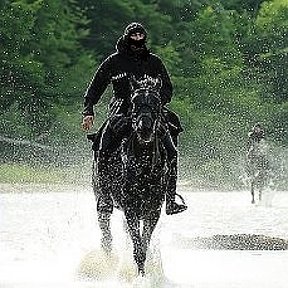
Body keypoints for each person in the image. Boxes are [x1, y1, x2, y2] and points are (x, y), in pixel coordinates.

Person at [82, 22, 187, 215]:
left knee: (172, 150)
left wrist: (155, 101)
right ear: (126, 37)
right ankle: (104, 196)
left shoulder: (154, 62)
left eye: (141, 36)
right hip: (121, 111)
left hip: (150, 111)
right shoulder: (113, 62)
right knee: (103, 145)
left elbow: (167, 89)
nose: (137, 39)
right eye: (134, 35)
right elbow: (95, 87)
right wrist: (88, 110)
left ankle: (170, 200)